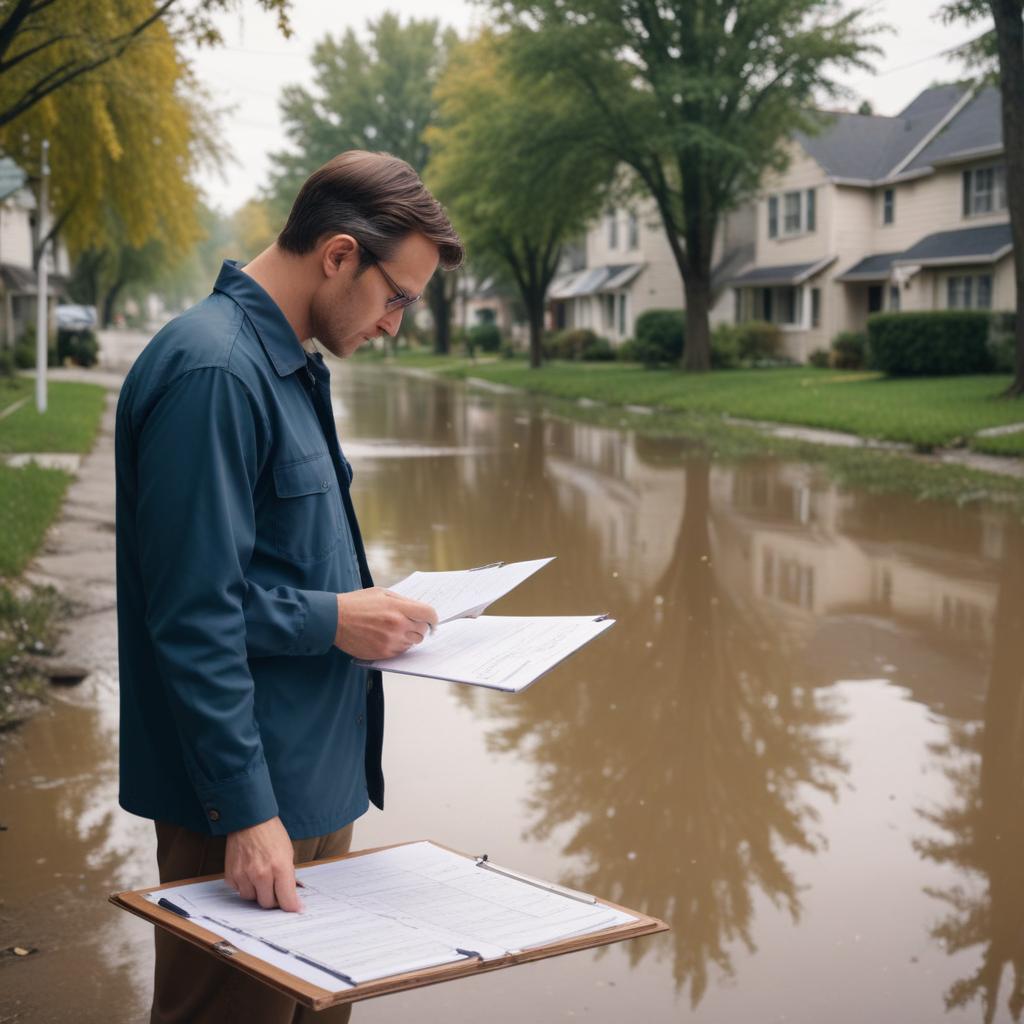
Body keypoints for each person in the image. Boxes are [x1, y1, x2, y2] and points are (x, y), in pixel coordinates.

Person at [114, 150, 464, 1023]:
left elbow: (270, 572)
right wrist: (246, 811)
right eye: (398, 298)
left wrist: (354, 615)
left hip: (309, 784)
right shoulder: (214, 375)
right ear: (340, 254)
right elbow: (193, 614)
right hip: (245, 800)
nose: (395, 326)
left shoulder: (285, 364)